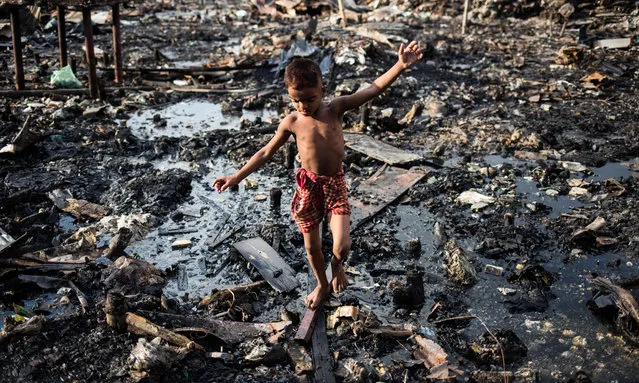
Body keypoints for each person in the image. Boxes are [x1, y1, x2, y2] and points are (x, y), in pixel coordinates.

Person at [213, 41, 423, 309]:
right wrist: (236, 177)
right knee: (312, 249)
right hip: (307, 188)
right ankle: (321, 285)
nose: (303, 106)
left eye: (309, 99)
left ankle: (336, 267)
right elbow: (265, 153)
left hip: (334, 185)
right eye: (296, 100)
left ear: (323, 91)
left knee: (342, 246)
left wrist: (400, 66)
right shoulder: (291, 122)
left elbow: (373, 88)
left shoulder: (335, 109)